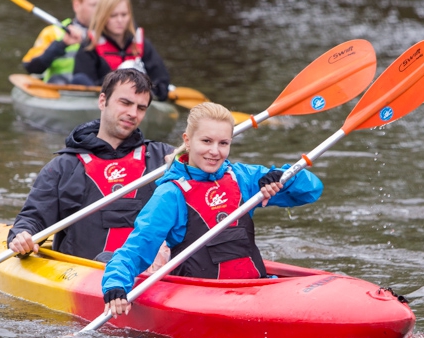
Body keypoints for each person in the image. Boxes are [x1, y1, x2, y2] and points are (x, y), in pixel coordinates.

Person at [101, 102, 323, 316]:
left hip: (254, 291)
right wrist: (116, 284)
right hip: (199, 299)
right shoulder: (171, 194)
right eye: (206, 141)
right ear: (187, 141)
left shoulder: (243, 178)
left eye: (223, 143)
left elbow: (311, 191)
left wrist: (286, 178)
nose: (215, 151)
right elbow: (138, 247)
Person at [8, 68, 175, 260]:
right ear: (103, 101)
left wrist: (191, 168)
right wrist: (22, 236)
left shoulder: (164, 158)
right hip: (85, 274)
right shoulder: (64, 167)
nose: (133, 113)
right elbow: (33, 219)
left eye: (141, 108)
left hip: (149, 276)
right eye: (125, 103)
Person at [73, 0, 171, 101]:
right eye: (113, 15)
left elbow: (162, 80)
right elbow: (85, 87)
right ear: (103, 17)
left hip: (140, 99)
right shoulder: (89, 47)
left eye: (124, 15)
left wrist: (154, 91)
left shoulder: (142, 44)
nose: (120, 20)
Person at [21, 0, 104, 85]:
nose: (100, 10)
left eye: (103, 5)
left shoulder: (113, 33)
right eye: (94, 5)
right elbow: (31, 67)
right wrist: (61, 44)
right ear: (77, 6)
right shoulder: (53, 32)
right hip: (61, 89)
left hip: (97, 89)